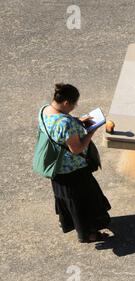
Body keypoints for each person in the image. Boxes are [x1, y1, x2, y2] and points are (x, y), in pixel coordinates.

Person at [39, 83, 111, 243]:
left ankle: (69, 223)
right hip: (73, 171)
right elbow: (77, 149)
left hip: (56, 168)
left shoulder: (45, 110)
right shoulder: (65, 123)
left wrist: (78, 120)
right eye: (73, 104)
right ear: (66, 103)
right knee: (82, 203)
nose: (74, 107)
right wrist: (91, 132)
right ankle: (88, 234)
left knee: (67, 201)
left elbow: (60, 126)